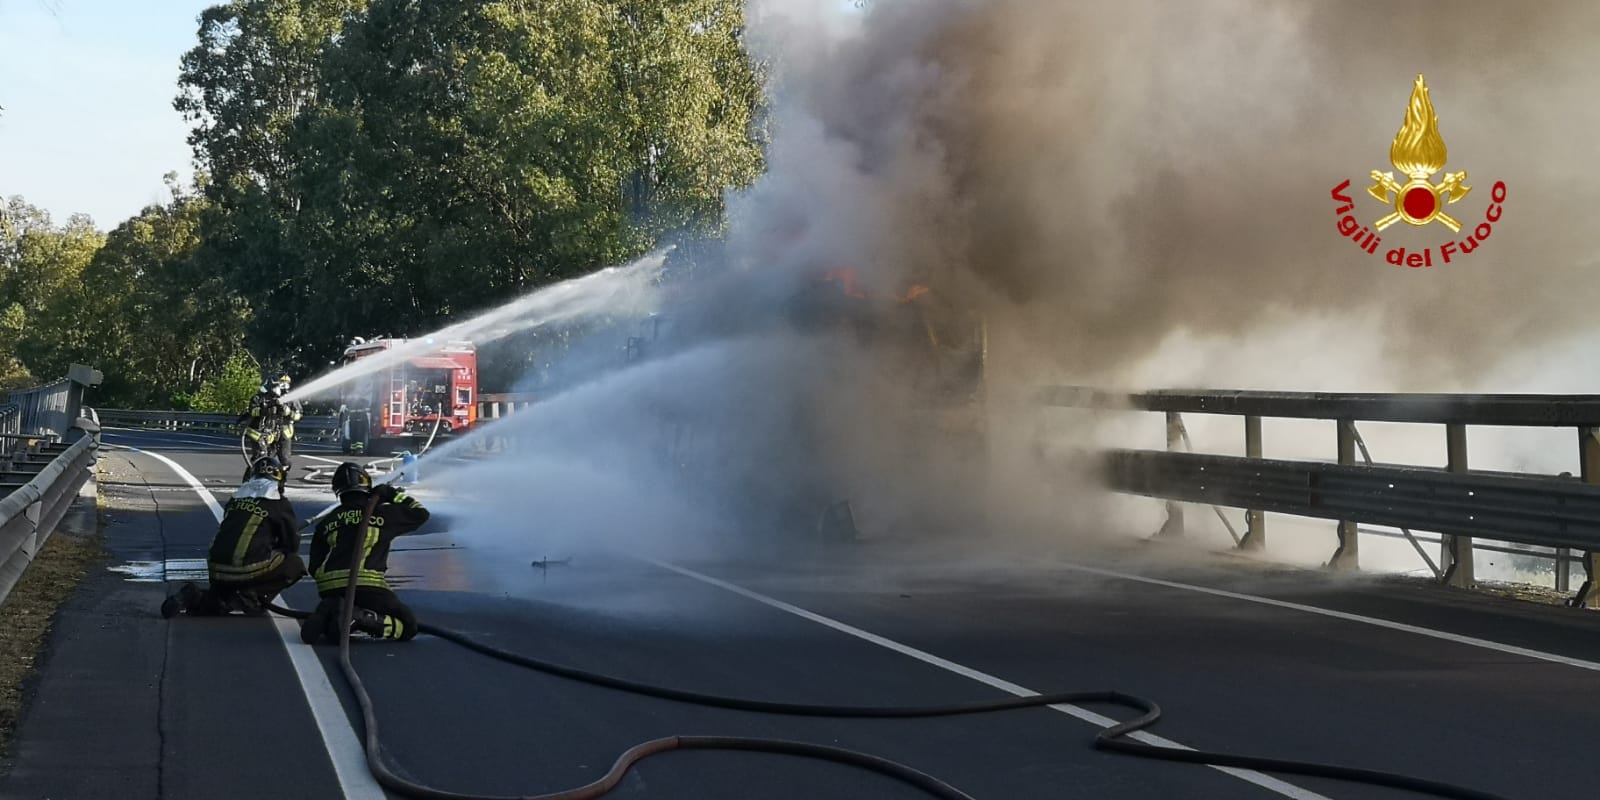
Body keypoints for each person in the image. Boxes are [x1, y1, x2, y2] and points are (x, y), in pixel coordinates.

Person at [301, 462, 430, 644]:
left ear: (337, 489)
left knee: (339, 612)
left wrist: (331, 584)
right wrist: (392, 494)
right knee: (408, 625)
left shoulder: (328, 521)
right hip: (367, 585)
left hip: (329, 588)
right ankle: (358, 618)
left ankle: (332, 610)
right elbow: (421, 513)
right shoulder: (383, 515)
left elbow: (314, 564)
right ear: (367, 485)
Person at [161, 456, 306, 618]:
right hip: (245, 569)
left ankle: (195, 596)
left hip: (216, 568)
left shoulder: (235, 499)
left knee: (218, 603)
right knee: (294, 564)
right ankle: (250, 598)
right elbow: (291, 545)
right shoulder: (280, 504)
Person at [240, 374, 304, 470]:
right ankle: (254, 476)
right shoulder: (258, 398)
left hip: (280, 432)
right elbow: (252, 411)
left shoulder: (288, 399)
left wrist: (288, 412)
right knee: (261, 458)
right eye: (277, 386)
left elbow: (298, 415)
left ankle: (279, 477)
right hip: (259, 432)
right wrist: (263, 410)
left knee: (284, 460)